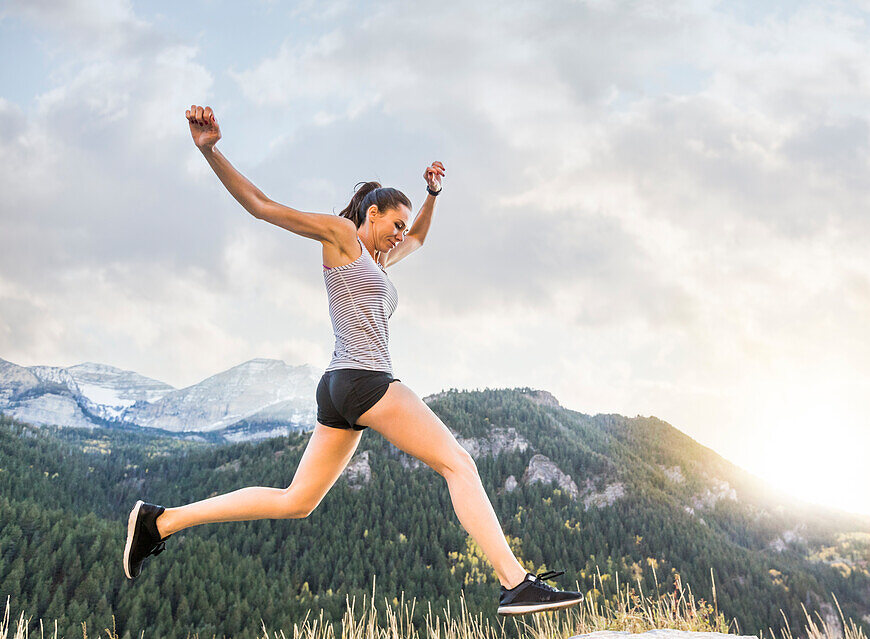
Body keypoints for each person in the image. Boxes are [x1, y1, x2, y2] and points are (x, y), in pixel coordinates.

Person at [122, 104, 584, 616]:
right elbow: (260, 204)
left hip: (340, 387)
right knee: (459, 464)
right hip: (367, 380)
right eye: (396, 223)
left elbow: (423, 239)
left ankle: (158, 522)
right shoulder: (341, 239)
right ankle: (515, 582)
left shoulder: (382, 260)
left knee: (295, 501)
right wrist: (211, 150)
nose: (402, 234)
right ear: (371, 214)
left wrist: (431, 196)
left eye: (405, 227)